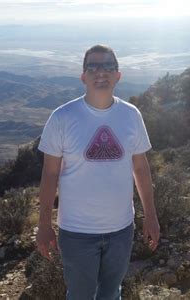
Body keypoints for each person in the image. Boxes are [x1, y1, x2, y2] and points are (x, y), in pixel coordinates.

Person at [36, 44, 160, 299]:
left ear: (118, 75)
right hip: (77, 232)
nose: (100, 72)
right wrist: (43, 224)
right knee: (80, 295)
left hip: (121, 230)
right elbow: (49, 175)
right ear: (83, 76)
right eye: (92, 66)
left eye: (107, 66)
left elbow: (140, 167)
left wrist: (150, 215)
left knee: (111, 292)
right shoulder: (62, 118)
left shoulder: (131, 115)